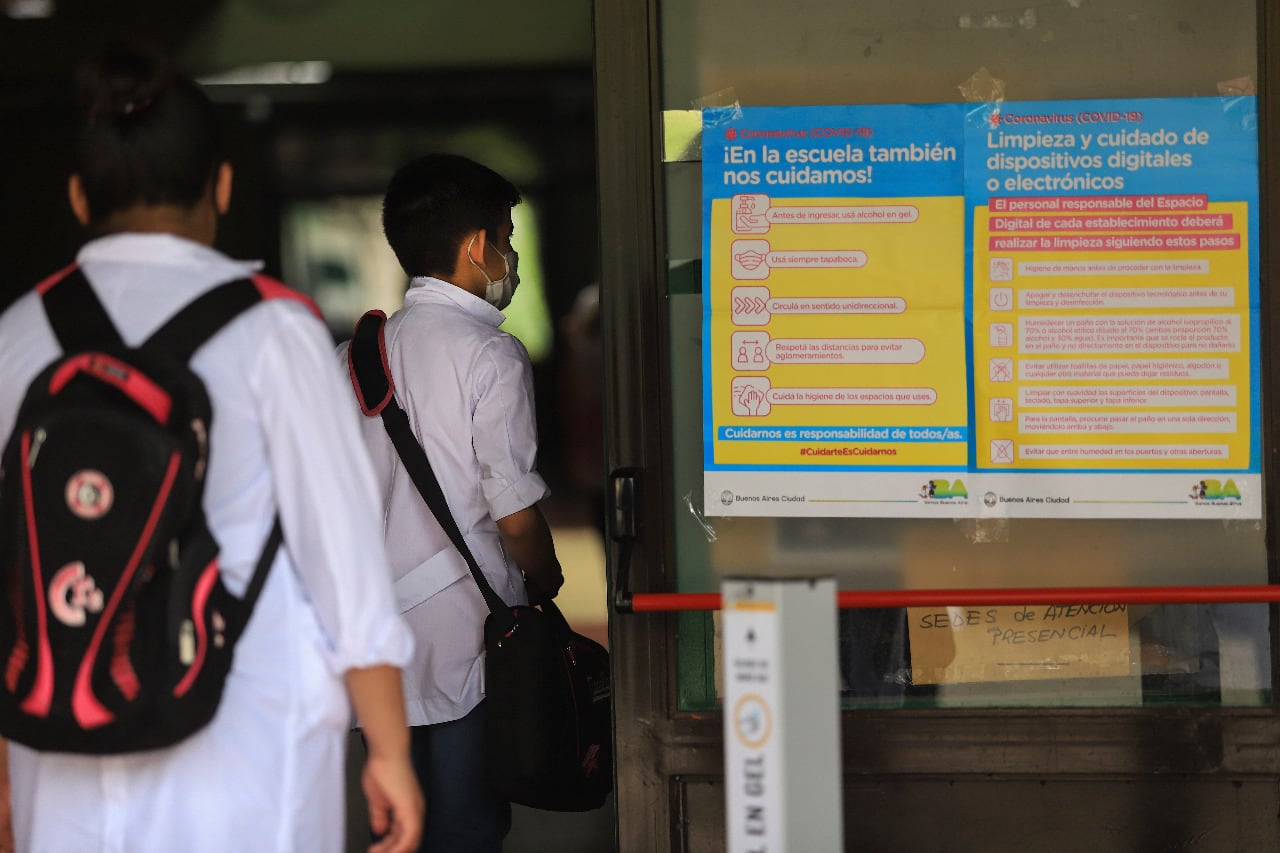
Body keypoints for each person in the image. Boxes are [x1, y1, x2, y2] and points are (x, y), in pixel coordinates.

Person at [0, 45, 423, 852]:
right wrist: (392, 751)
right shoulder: (274, 330)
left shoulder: (17, 338)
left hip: (58, 753)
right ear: (222, 186)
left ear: (80, 195)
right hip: (245, 752)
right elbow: (346, 565)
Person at [337, 153, 566, 852]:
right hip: (472, 638)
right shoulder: (490, 356)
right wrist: (546, 574)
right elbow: (516, 513)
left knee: (397, 825)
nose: (511, 254)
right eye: (506, 235)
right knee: (466, 828)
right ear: (477, 247)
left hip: (377, 643)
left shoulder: (355, 354)